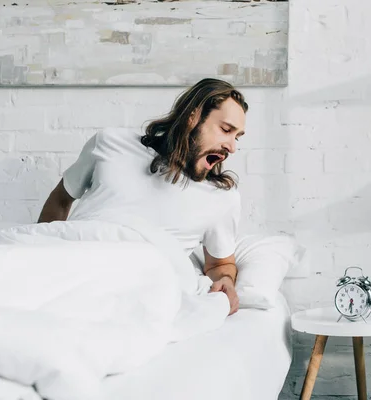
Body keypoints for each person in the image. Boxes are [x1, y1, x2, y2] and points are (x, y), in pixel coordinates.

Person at [37, 78, 248, 315]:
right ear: (193, 116)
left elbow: (220, 264)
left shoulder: (221, 197)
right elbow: (61, 198)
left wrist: (226, 281)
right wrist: (42, 251)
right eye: (226, 130)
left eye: (237, 137)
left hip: (138, 291)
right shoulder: (110, 143)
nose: (232, 147)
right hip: (70, 269)